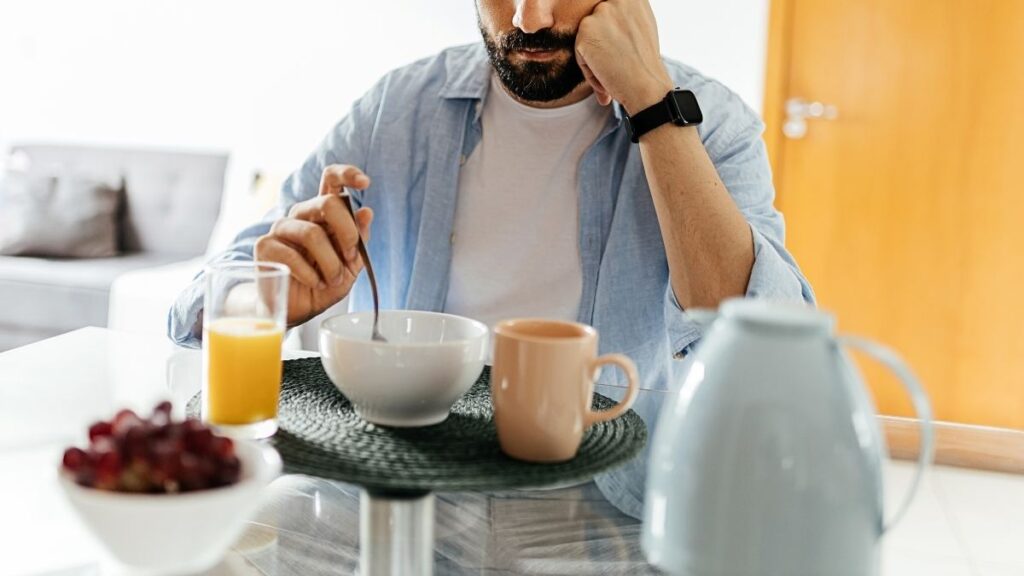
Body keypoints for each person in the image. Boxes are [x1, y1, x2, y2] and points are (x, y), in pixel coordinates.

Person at [170, 0, 815, 518]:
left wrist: (652, 104)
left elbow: (767, 342)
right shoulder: (397, 109)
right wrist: (270, 296)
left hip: (603, 512)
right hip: (403, 493)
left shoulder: (708, 122)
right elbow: (203, 300)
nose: (530, 17)